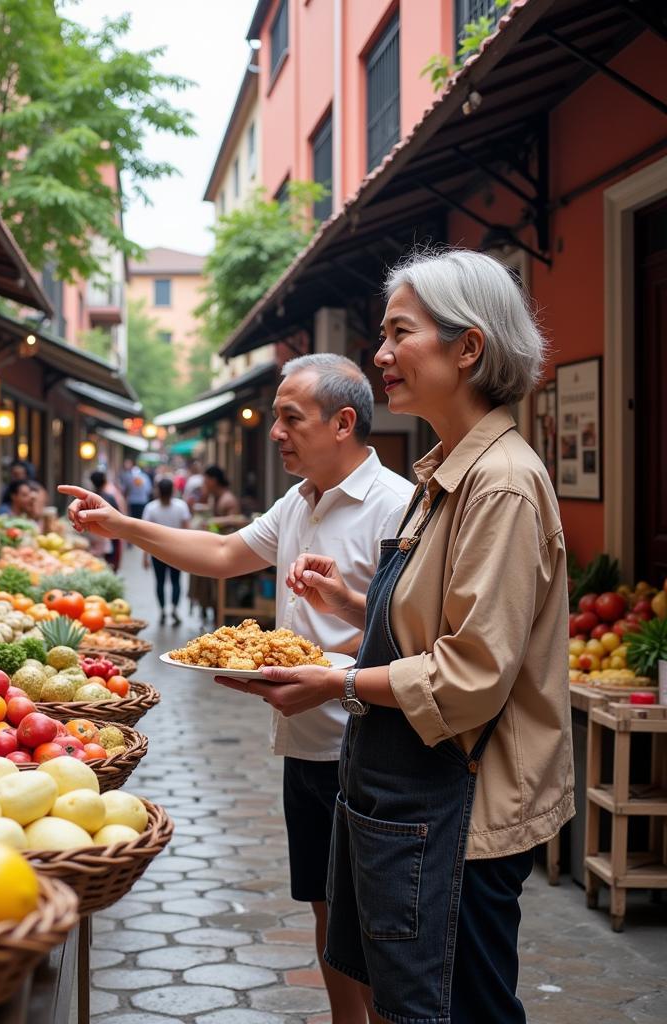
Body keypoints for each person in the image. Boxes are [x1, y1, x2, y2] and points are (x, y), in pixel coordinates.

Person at [226, 250, 574, 1024]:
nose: (379, 354)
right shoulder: (442, 474)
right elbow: (433, 625)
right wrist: (356, 602)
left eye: (399, 333)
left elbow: (471, 673)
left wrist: (332, 682)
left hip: (466, 809)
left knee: (458, 1008)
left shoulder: (503, 484)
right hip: (411, 793)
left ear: (469, 347)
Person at [59, 353, 414, 1023]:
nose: (276, 432)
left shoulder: (395, 506)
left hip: (365, 743)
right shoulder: (301, 498)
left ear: (343, 423)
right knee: (325, 907)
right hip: (304, 743)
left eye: (290, 418)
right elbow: (225, 555)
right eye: (275, 418)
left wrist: (337, 632)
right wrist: (123, 526)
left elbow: (412, 632)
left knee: (375, 927)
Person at [141, 478, 191, 624]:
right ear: (173, 491)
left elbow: (145, 533)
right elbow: (187, 530)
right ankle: (174, 609)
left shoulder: (151, 508)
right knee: (176, 581)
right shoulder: (181, 506)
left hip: (157, 552)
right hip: (178, 551)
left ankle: (162, 610)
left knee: (160, 582)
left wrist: (145, 556)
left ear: (158, 491)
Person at [89, 470, 124, 570]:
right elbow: (117, 516)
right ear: (104, 482)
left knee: (94, 566)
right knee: (109, 565)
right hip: (109, 535)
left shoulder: (88, 498)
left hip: (93, 537)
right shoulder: (109, 498)